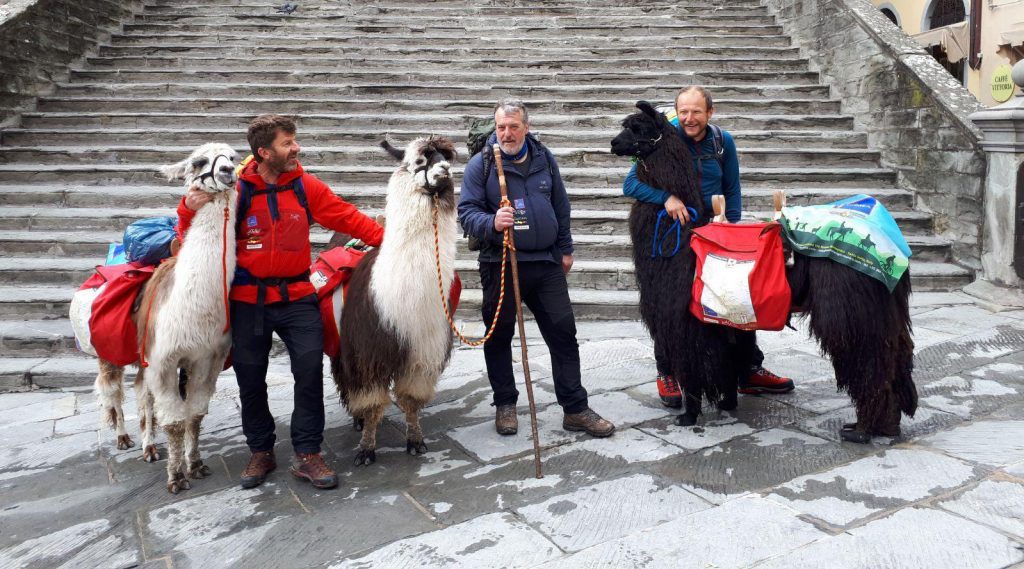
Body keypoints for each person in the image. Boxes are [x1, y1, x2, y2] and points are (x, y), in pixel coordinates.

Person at [176, 114, 384, 490]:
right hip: (248, 300)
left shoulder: (305, 186)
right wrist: (188, 208)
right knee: (250, 378)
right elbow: (194, 234)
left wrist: (391, 240)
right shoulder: (235, 190)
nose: (296, 148)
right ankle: (261, 450)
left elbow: (346, 216)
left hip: (298, 296)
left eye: (295, 141)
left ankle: (308, 453)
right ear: (263, 152)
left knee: (308, 372)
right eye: (288, 143)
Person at [622, 86, 795, 409]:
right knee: (668, 304)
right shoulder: (664, 138)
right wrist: (666, 198)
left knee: (735, 298)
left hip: (713, 230)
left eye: (696, 112)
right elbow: (630, 183)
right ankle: (668, 371)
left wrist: (730, 227)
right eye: (683, 112)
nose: (689, 118)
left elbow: (732, 187)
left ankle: (748, 368)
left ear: (709, 113)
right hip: (671, 236)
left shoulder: (721, 141)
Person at [459, 99, 615, 438]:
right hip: (500, 262)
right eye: (501, 127)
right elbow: (466, 213)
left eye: (514, 126)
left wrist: (566, 247)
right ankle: (505, 404)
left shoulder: (544, 158)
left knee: (563, 332)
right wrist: (492, 222)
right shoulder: (481, 164)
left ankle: (574, 408)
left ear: (525, 127)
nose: (507, 133)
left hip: (545, 261)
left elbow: (560, 204)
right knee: (499, 336)